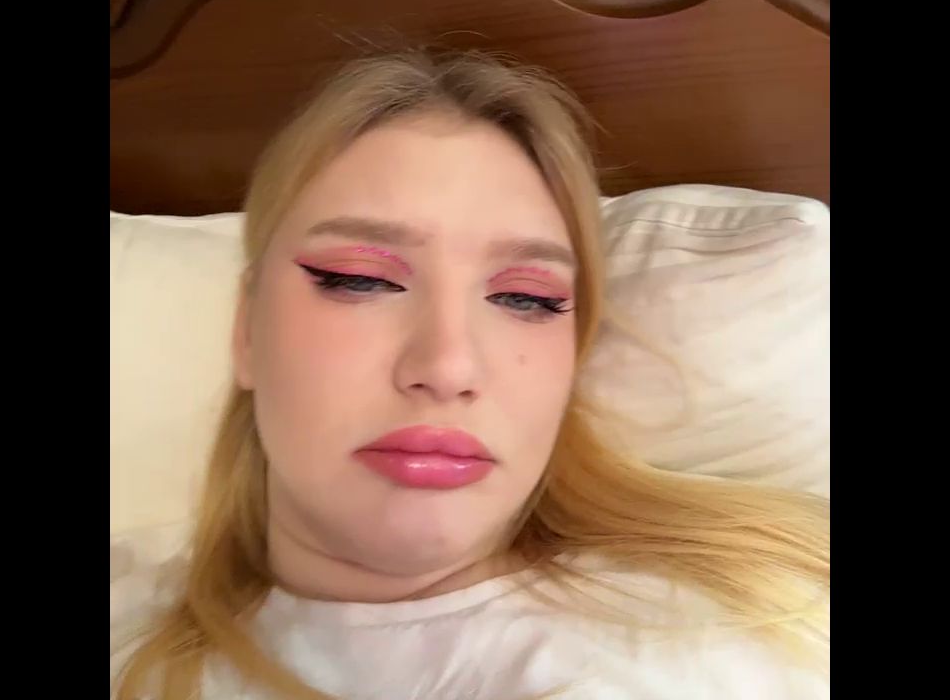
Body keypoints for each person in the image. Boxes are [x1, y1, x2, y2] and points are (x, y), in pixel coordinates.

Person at [112, 50, 829, 699]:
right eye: (359, 279)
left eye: (526, 297)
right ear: (246, 330)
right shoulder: (130, 628)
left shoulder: (756, 631)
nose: (448, 366)